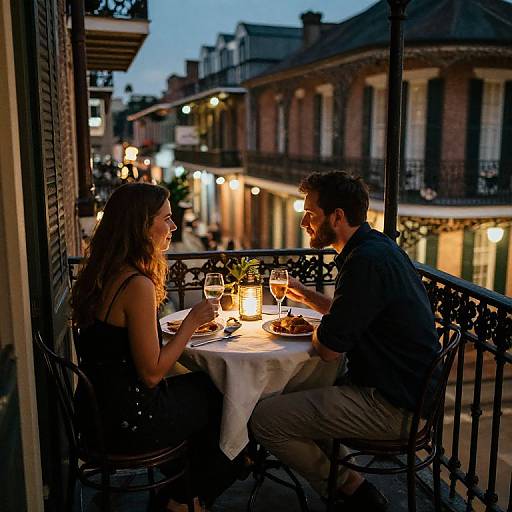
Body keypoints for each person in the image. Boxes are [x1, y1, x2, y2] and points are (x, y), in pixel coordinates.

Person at [250, 171, 440, 511]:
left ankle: (350, 491)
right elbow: (355, 314)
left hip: (394, 407)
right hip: (404, 392)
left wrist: (297, 327)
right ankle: (350, 480)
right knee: (294, 393)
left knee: (264, 420)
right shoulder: (377, 248)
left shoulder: (364, 262)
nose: (303, 222)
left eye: (310, 213)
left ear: (337, 216)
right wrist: (305, 296)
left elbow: (328, 348)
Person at [72, 183, 241, 512]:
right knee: (229, 399)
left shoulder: (106, 272)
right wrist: (192, 321)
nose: (174, 227)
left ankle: (182, 489)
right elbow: (151, 374)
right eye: (166, 218)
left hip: (95, 412)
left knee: (206, 391)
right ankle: (184, 499)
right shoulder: (136, 285)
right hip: (128, 421)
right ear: (141, 226)